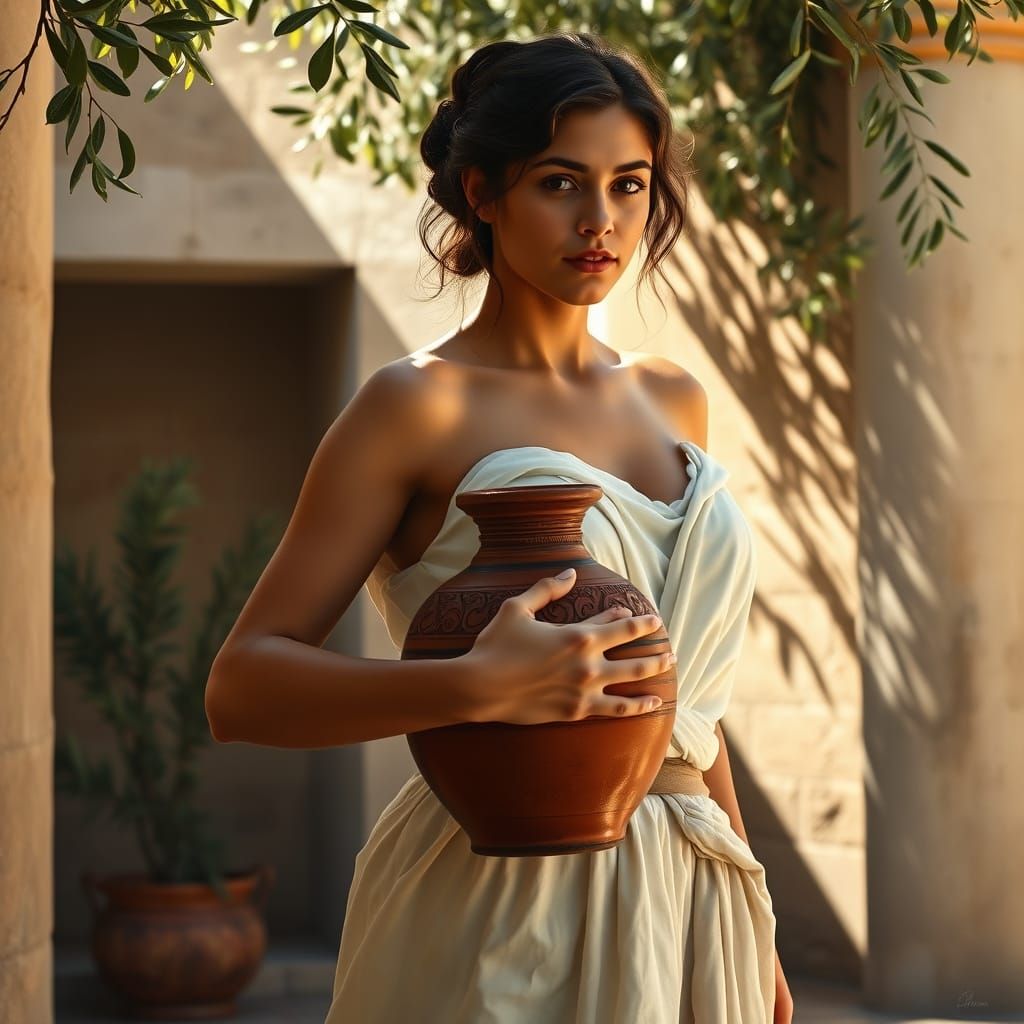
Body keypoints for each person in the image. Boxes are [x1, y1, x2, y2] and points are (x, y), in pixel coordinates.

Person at [205, 31, 793, 1024]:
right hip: (505, 895)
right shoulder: (415, 407)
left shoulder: (672, 401)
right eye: (561, 183)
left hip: (691, 893)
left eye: (630, 184)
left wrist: (753, 920)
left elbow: (684, 696)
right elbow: (241, 686)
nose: (600, 220)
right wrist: (471, 686)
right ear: (482, 192)